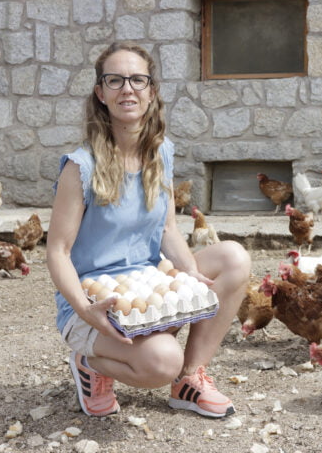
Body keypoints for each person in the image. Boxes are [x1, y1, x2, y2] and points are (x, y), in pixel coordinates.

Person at [46, 41, 251, 419]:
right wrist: (85, 310)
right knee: (162, 361)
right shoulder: (81, 166)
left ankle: (189, 379)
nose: (127, 88)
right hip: (94, 301)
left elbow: (168, 229)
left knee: (233, 258)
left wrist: (189, 273)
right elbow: (57, 251)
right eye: (115, 80)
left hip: (146, 283)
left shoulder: (161, 152)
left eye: (137, 80)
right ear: (101, 93)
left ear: (151, 91)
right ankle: (89, 364)